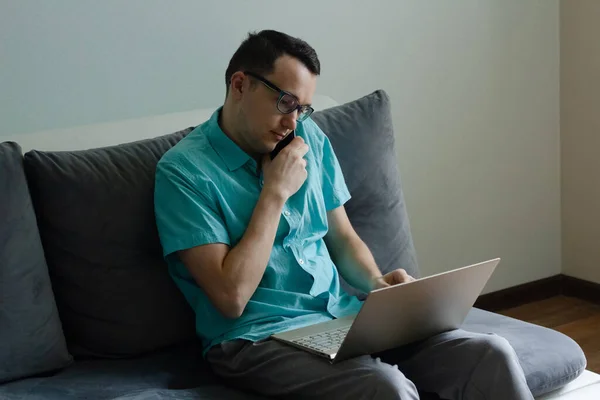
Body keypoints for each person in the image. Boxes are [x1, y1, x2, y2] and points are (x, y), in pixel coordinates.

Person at [154, 29, 533, 400]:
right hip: (255, 339)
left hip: (341, 318)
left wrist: (377, 285)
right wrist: (274, 193)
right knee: (384, 387)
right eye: (285, 102)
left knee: (490, 354)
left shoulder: (309, 139)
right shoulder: (183, 173)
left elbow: (342, 237)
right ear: (240, 85)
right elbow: (231, 297)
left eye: (302, 108)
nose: (292, 122)